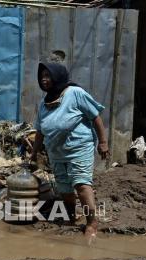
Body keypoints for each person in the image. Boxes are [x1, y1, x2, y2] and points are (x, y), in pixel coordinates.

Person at [30, 62, 109, 244]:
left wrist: (103, 142)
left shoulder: (75, 94)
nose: (44, 79)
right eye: (42, 76)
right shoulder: (44, 103)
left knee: (81, 185)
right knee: (65, 189)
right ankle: (72, 216)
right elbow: (40, 131)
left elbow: (95, 116)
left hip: (79, 148)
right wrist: (34, 153)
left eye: (48, 75)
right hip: (56, 152)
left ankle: (92, 223)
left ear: (58, 76)